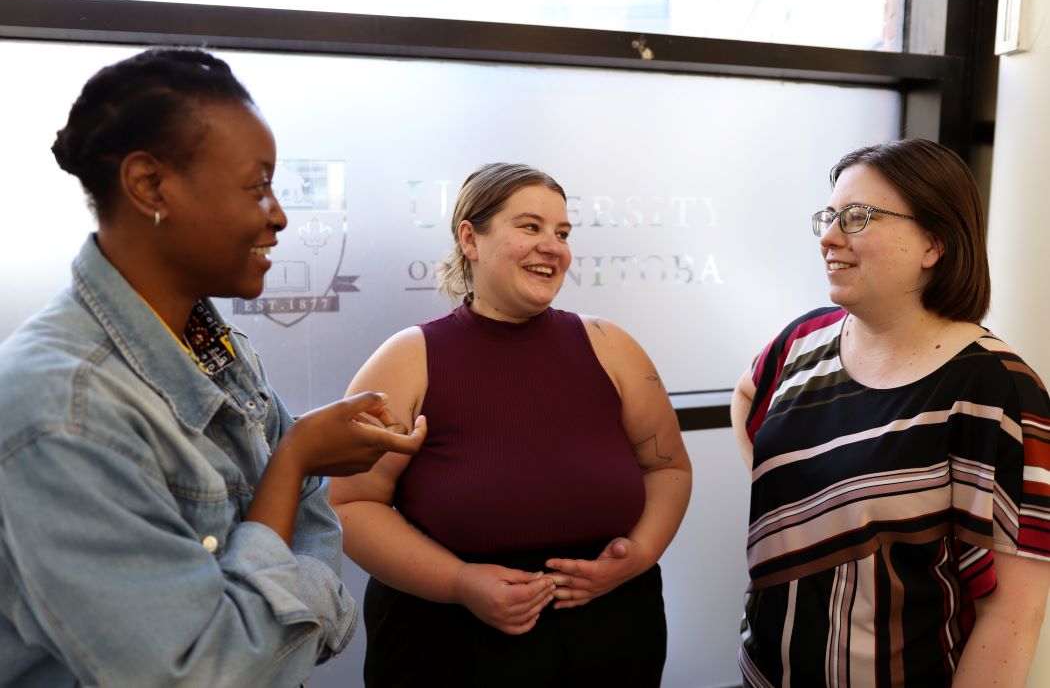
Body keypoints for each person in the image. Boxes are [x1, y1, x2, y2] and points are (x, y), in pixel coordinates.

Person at [0, 48, 425, 687]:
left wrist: (282, 617)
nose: (279, 215)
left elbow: (314, 560)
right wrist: (293, 461)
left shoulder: (209, 343)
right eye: (258, 186)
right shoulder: (62, 407)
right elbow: (202, 673)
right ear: (149, 186)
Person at [330, 162, 692, 687]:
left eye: (562, 232)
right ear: (470, 239)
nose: (553, 245)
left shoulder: (612, 348)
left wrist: (638, 556)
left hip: (611, 635)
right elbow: (350, 503)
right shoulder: (409, 359)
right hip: (450, 646)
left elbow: (669, 468)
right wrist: (459, 582)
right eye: (530, 227)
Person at [730, 138, 1050, 687]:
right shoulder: (800, 343)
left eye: (858, 217)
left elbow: (1012, 617)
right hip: (764, 671)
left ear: (935, 242)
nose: (829, 237)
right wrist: (815, 507)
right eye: (829, 217)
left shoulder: (996, 391)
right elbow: (745, 399)